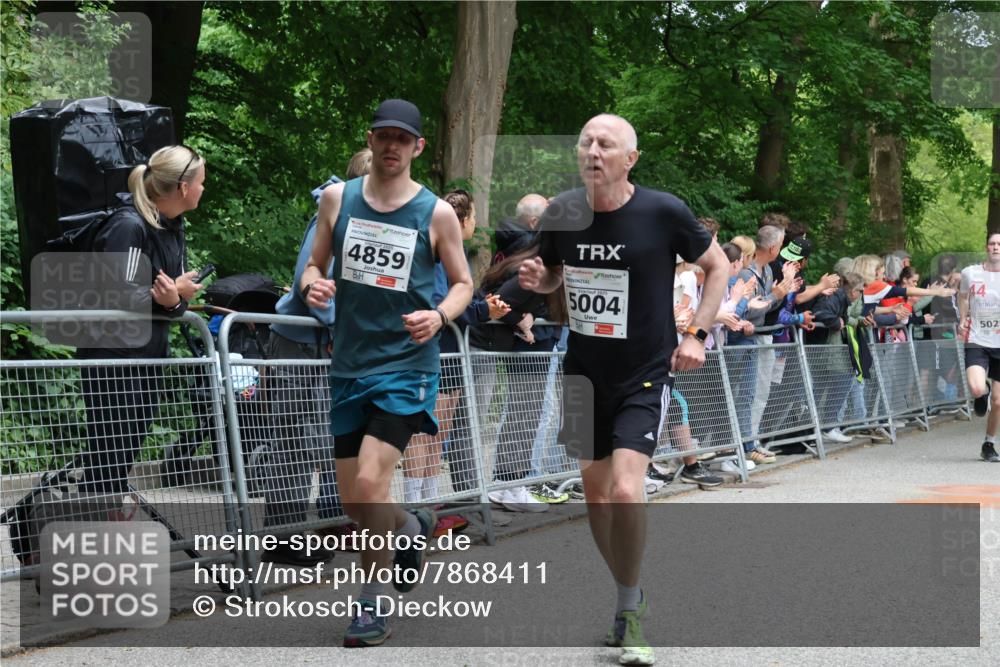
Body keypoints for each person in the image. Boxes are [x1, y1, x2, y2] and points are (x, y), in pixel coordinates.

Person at [519, 113, 728, 666]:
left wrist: (698, 335)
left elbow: (719, 266)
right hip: (582, 372)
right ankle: (627, 595)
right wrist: (543, 282)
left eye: (605, 144)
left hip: (644, 371)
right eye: (585, 141)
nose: (592, 150)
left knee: (625, 489)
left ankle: (630, 609)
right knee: (595, 495)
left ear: (629, 159)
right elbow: (555, 274)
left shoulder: (663, 211)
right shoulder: (564, 211)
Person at [302, 99, 473, 647]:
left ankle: (370, 605)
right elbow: (311, 264)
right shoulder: (338, 199)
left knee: (374, 483)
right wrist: (313, 285)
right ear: (371, 140)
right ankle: (411, 525)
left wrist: (440, 314)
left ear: (418, 147)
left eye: (405, 138)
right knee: (356, 501)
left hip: (406, 366)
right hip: (349, 365)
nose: (393, 146)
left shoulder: (436, 213)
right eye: (385, 136)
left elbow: (464, 283)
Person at [258, 152, 375, 566]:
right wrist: (342, 325)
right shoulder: (331, 214)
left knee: (321, 436)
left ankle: (325, 524)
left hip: (325, 343)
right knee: (291, 439)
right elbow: (307, 280)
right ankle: (282, 538)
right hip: (297, 341)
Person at [78, 145, 206, 496]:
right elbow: (114, 296)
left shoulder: (173, 227)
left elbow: (171, 306)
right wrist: (165, 297)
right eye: (201, 182)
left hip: (147, 356)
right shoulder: (128, 226)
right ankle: (93, 528)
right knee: (108, 457)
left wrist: (174, 298)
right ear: (183, 187)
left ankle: (104, 521)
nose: (203, 189)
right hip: (113, 358)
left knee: (121, 455)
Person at [958, 232, 1000, 463]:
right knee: (976, 389)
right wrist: (962, 318)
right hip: (977, 338)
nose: (995, 248)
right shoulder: (971, 273)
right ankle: (980, 393)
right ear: (986, 247)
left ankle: (988, 443)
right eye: (992, 244)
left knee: (999, 401)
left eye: (999, 244)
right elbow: (963, 297)